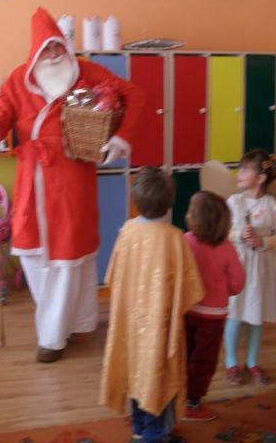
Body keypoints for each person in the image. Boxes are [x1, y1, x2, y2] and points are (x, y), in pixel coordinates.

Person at [0, 6, 145, 363]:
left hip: (72, 178)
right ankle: (69, 322)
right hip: (31, 180)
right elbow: (1, 113)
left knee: (69, 257)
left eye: (57, 47)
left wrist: (121, 137)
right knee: (34, 257)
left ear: (65, 47)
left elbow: (134, 95)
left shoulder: (86, 73)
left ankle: (54, 337)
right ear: (35, 52)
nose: (53, 55)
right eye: (45, 49)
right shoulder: (19, 79)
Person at [100, 167, 204, 443]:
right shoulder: (174, 238)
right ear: (170, 202)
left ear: (135, 200)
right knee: (158, 376)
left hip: (130, 324)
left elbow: (113, 277)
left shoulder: (127, 231)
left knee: (136, 373)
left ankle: (139, 429)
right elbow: (190, 291)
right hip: (160, 326)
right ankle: (154, 436)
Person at [183, 191, 245, 421]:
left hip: (186, 309)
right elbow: (238, 283)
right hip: (212, 316)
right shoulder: (227, 248)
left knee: (184, 353)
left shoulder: (184, 241)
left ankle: (178, 395)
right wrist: (223, 290)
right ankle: (192, 402)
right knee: (204, 359)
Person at [224, 149, 276, 386]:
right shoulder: (234, 202)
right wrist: (238, 235)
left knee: (256, 317)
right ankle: (231, 362)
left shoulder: (272, 205)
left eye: (245, 170)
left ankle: (253, 362)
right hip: (239, 267)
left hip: (262, 269)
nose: (239, 173)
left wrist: (262, 241)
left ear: (261, 178)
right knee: (235, 314)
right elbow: (222, 233)